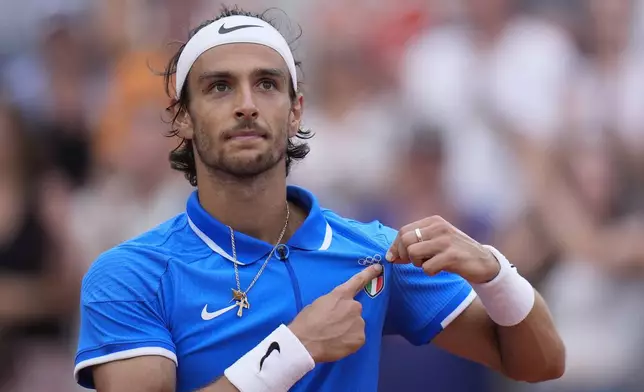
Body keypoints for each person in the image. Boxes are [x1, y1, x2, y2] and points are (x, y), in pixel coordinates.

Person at [73, 6, 565, 392]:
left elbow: (540, 361)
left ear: (295, 111)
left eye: (266, 84)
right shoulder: (130, 274)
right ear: (182, 118)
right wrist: (291, 352)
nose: (246, 103)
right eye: (220, 87)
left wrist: (495, 272)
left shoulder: (373, 254)